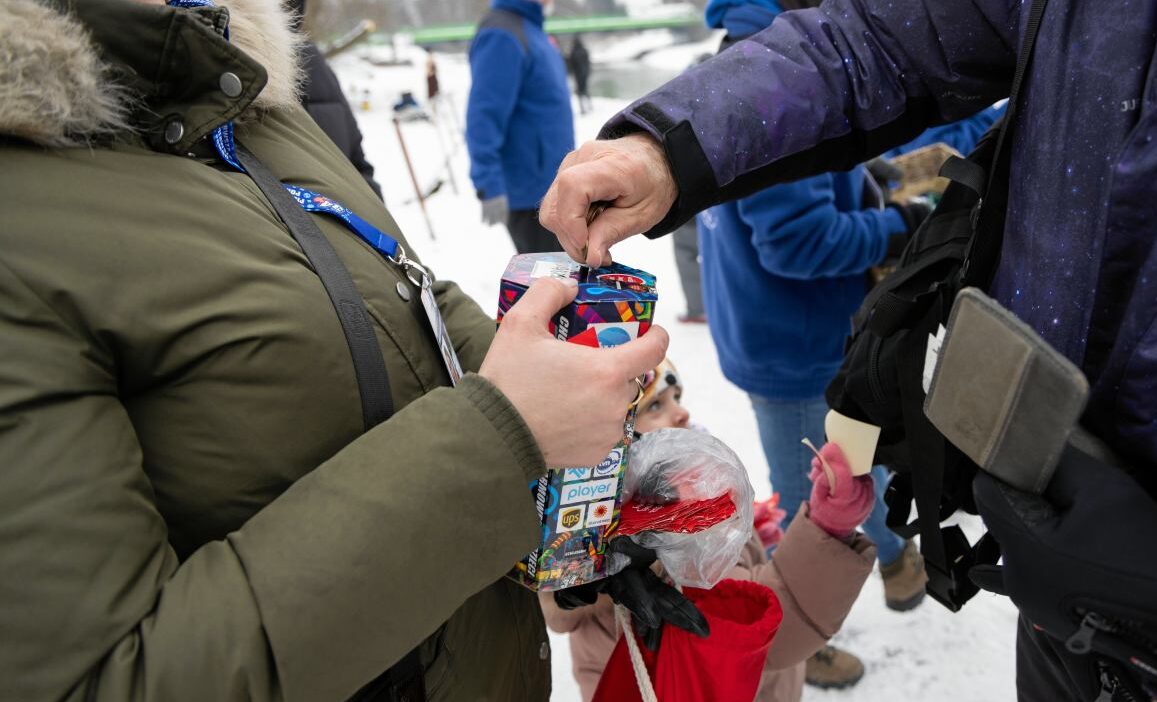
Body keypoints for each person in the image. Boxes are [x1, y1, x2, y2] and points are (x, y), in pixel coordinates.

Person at [0, 1, 672, 700]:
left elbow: (395, 292)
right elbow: (105, 679)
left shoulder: (246, 86)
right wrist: (504, 440)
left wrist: (598, 467)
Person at [537, 0, 1157, 699]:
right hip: (795, 351)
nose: (675, 414)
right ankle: (856, 581)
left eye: (672, 396)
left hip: (1119, 554)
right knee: (819, 474)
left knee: (835, 479)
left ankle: (858, 563)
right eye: (654, 404)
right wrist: (902, 224)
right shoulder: (603, 566)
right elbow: (807, 216)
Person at [699, 0, 1004, 617]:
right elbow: (796, 239)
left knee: (854, 462)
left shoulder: (767, 55)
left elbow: (814, 182)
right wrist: (904, 225)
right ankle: (791, 632)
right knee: (806, 496)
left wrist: (875, 178)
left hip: (804, 331)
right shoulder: (772, 79)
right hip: (792, 348)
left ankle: (891, 559)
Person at [541, 360, 878, 700]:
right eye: (655, 405)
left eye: (677, 396)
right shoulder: (676, 543)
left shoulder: (576, 537)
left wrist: (748, 537)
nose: (682, 412)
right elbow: (773, 624)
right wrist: (828, 525)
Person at [466, 0, 574, 254]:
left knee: (568, 278)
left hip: (555, 185)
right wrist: (488, 184)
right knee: (549, 282)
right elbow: (483, 117)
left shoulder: (533, 30)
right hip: (530, 196)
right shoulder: (502, 34)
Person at [286, 0, 383, 199]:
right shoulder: (221, 71)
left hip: (348, 219)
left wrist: (376, 225)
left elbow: (359, 168)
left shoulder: (310, 59)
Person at [672, 218, 707, 323]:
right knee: (713, 261)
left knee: (686, 261)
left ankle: (698, 310)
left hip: (686, 219)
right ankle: (715, 308)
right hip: (711, 217)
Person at [568, 34, 593, 115]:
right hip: (585, 73)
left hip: (578, 75)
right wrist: (589, 71)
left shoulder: (573, 52)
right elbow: (588, 62)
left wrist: (571, 73)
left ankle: (583, 108)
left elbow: (571, 65)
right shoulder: (584, 50)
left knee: (580, 91)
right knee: (585, 89)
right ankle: (589, 105)